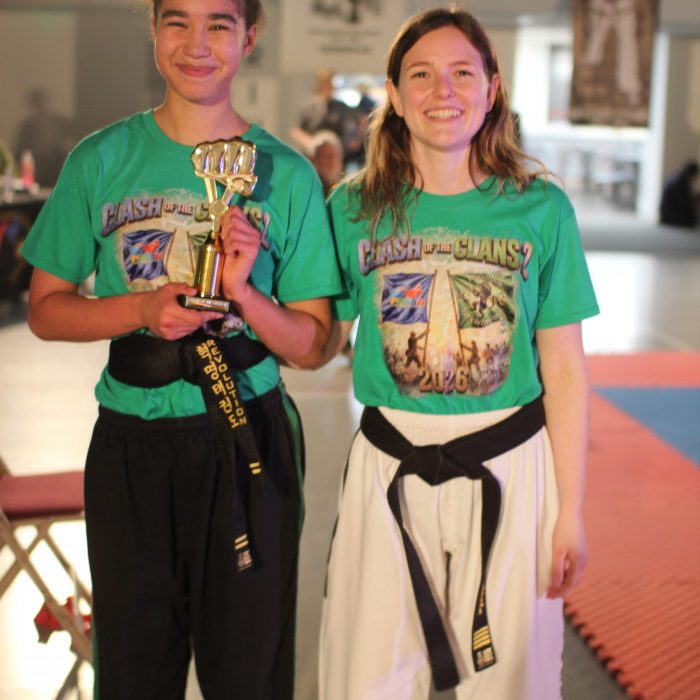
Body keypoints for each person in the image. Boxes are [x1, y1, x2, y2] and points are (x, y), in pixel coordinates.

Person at [21, 1, 342, 698]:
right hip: (132, 448)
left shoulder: (284, 175)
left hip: (247, 438)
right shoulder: (100, 160)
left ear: (250, 38)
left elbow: (316, 347)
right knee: (133, 677)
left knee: (249, 678)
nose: (197, 43)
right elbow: (44, 310)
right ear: (153, 30)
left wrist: (246, 295)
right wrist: (141, 309)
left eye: (219, 24)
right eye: (177, 22)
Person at [318, 7, 599, 699]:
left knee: (514, 682)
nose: (442, 92)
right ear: (393, 93)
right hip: (389, 460)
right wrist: (246, 293)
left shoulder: (541, 207)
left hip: (511, 463)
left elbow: (565, 369)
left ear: (492, 88)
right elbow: (320, 344)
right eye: (421, 75)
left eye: (462, 74)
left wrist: (570, 509)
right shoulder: (352, 207)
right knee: (366, 677)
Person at [659, 160, 699, 229]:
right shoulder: (681, 183)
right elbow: (685, 205)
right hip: (671, 217)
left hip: (665, 214)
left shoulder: (675, 177)